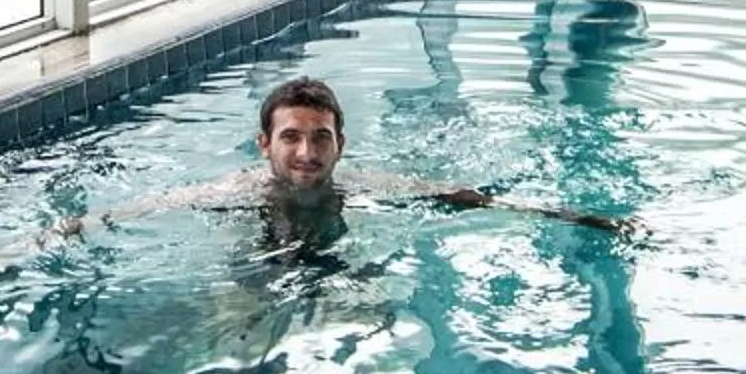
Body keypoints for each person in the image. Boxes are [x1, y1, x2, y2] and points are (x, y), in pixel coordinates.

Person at [47, 76, 636, 240]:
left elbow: (462, 197)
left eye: (321, 138)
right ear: (264, 144)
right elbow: (148, 207)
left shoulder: (363, 182)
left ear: (340, 144)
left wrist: (580, 218)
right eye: (291, 138)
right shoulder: (235, 191)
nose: (307, 153)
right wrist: (59, 232)